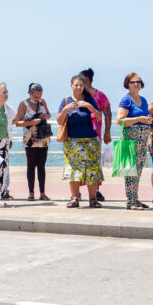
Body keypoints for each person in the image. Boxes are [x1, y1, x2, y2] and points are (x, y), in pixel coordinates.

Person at [58, 75, 104, 208]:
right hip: (72, 141)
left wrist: (90, 107)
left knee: (92, 169)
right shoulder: (66, 101)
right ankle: (74, 198)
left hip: (91, 141)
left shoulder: (89, 99)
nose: (79, 87)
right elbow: (59, 121)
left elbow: (99, 117)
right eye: (76, 85)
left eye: (81, 85)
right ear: (71, 86)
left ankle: (93, 199)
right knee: (73, 169)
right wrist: (65, 109)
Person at [115, 72, 153, 210]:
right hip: (130, 139)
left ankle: (135, 199)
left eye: (138, 82)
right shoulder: (126, 100)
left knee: (138, 170)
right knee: (130, 170)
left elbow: (145, 116)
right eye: (133, 82)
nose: (136, 84)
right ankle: (130, 201)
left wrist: (148, 120)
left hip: (142, 140)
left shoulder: (143, 100)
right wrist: (139, 119)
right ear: (128, 84)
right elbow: (119, 120)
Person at [14, 83, 51, 201]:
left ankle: (42, 193)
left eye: (39, 96)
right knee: (31, 165)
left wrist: (45, 116)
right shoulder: (23, 104)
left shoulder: (42, 102)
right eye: (35, 96)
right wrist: (32, 122)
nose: (37, 99)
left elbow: (49, 115)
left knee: (41, 166)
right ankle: (31, 192)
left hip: (43, 137)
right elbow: (17, 123)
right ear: (30, 93)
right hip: (30, 138)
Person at [80, 68, 111, 202]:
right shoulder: (78, 95)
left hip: (95, 135)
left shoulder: (100, 96)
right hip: (78, 134)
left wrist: (107, 132)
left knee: (94, 163)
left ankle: (96, 191)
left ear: (87, 79)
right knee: (78, 163)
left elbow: (108, 114)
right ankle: (76, 192)